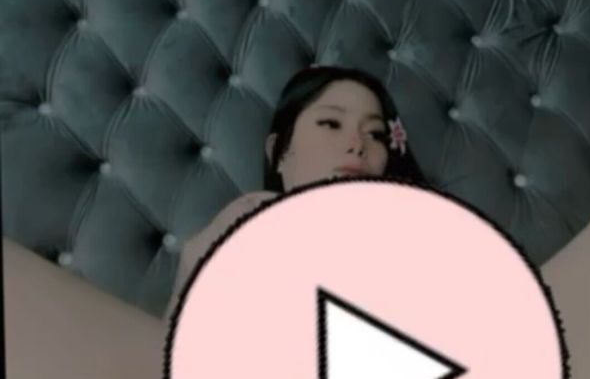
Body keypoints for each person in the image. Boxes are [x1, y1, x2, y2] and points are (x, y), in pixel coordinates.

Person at [171, 65, 426, 304]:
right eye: (331, 123)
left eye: (375, 134)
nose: (357, 144)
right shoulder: (246, 227)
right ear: (279, 153)